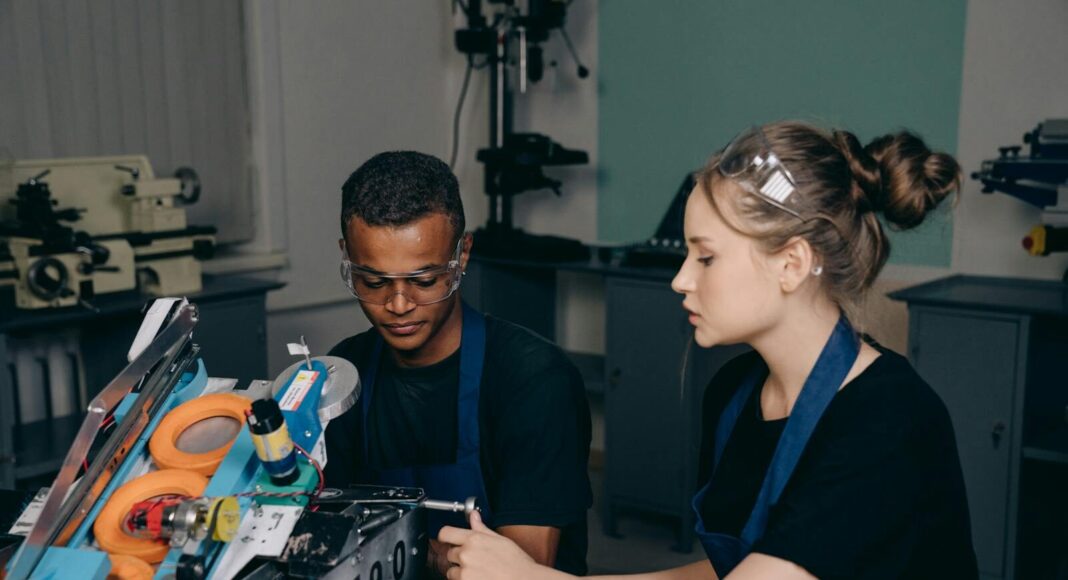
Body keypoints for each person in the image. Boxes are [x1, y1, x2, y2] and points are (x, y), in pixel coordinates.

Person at [437, 121, 979, 579]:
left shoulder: (889, 422)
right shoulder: (733, 395)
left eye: (706, 257)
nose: (679, 280)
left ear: (791, 263)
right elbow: (731, 570)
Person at [322, 151, 593, 575]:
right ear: (347, 256)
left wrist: (401, 545)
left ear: (462, 255)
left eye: (424, 280)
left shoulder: (535, 380)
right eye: (372, 281)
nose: (397, 305)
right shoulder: (344, 374)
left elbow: (522, 570)